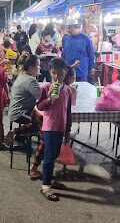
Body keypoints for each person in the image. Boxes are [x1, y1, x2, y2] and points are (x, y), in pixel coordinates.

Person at [37, 58, 72, 202]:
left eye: (60, 73)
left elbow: (68, 111)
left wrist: (68, 129)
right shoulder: (46, 88)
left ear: (66, 72)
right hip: (50, 127)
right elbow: (40, 107)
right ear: (50, 73)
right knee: (49, 157)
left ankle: (50, 180)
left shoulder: (68, 90)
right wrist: (50, 98)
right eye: (54, 73)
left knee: (55, 154)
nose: (57, 76)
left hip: (61, 126)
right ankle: (45, 186)